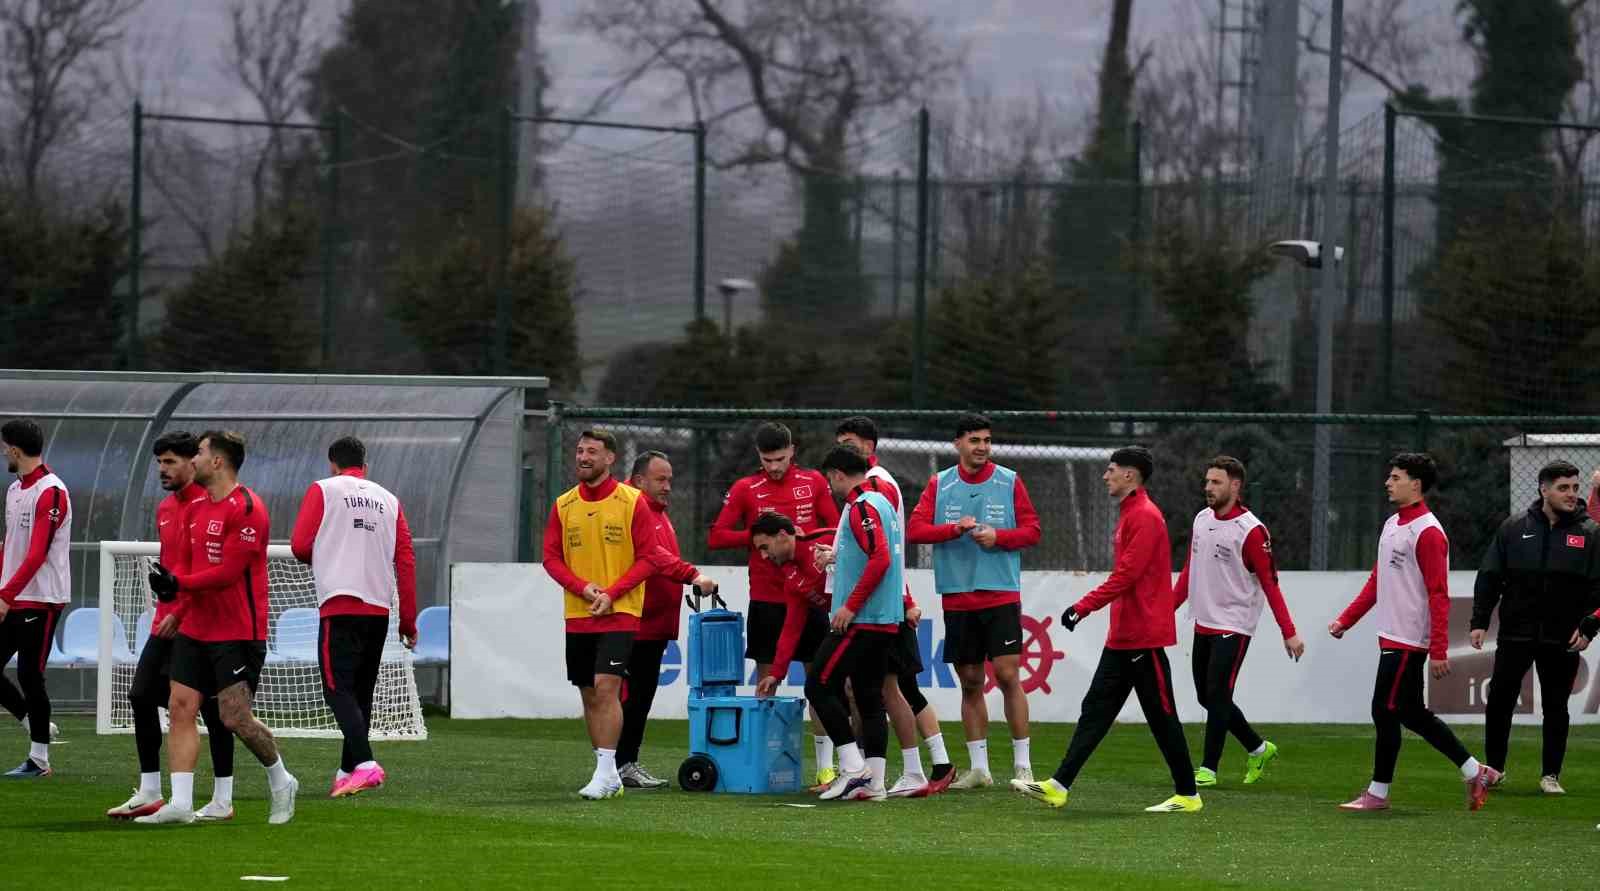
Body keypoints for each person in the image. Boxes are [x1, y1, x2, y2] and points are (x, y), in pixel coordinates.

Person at [1016, 446, 1201, 813]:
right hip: (1124, 636)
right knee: (1095, 710)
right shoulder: (1131, 513)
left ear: (1130, 475)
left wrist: (1082, 607)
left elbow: (1128, 576)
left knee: (1162, 717)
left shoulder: (1145, 516)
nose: (1105, 475)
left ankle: (1189, 794)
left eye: (1111, 470)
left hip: (1142, 637)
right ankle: (1059, 785)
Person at [138, 431, 299, 825]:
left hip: (238, 632)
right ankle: (178, 803)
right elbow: (193, 571)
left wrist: (179, 585)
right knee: (180, 706)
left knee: (233, 718)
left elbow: (227, 573)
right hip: (195, 629)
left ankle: (281, 778)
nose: (192, 460)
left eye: (200, 453)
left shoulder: (247, 508)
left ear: (218, 462)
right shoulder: (195, 510)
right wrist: (180, 606)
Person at [1329, 452, 1498, 812]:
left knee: (1384, 709)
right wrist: (1346, 620)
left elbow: (1439, 594)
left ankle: (1378, 794)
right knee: (1411, 713)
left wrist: (1438, 650)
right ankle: (1475, 771)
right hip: (1393, 638)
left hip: (1408, 642)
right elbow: (1378, 580)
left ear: (1415, 484)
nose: (1387, 483)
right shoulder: (1392, 525)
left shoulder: (1429, 532)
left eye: (1395, 477)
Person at [541, 429, 677, 800]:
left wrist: (613, 594)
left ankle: (606, 772)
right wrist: (584, 589)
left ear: (610, 459)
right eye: (580, 450)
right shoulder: (563, 505)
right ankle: (607, 772)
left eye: (592, 452)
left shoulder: (633, 501)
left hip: (621, 613)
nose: (583, 457)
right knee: (588, 694)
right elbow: (551, 558)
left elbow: (649, 558)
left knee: (607, 688)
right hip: (579, 613)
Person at [107, 432, 236, 819]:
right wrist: (166, 608)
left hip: (200, 624)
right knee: (141, 694)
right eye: (159, 462)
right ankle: (149, 790)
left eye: (171, 462)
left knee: (217, 713)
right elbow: (173, 568)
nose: (162, 469)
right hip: (167, 622)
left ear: (192, 463)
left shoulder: (209, 505)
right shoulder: (165, 508)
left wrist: (179, 613)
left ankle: (223, 799)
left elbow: (210, 573)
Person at [906, 412, 1040, 788]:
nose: (982, 447)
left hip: (999, 592)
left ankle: (1023, 766)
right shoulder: (940, 483)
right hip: (958, 596)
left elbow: (1032, 530)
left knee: (1009, 675)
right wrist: (952, 529)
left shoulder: (1010, 480)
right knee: (969, 681)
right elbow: (915, 530)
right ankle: (980, 768)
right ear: (958, 444)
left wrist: (1000, 537)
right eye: (974, 441)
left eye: (986, 441)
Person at [708, 421, 841, 785]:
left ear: (792, 451)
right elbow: (717, 536)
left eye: (780, 458)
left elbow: (838, 528)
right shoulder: (745, 488)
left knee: (819, 680)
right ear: (758, 457)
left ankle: (826, 767)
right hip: (766, 596)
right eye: (767, 460)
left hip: (809, 595)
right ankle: (762, 764)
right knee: (768, 679)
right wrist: (757, 539)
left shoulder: (813, 481)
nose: (774, 467)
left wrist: (810, 544)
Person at [290, 435, 420, 798]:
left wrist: (327, 554)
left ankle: (364, 763)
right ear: (365, 465)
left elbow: (300, 544)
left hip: (340, 602)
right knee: (360, 693)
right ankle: (346, 773)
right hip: (379, 609)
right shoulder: (390, 500)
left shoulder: (324, 489)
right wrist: (408, 621)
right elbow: (405, 561)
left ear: (332, 463)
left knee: (336, 688)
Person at [831, 417, 955, 796]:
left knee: (887, 689)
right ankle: (904, 769)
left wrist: (904, 598)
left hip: (879, 605)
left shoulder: (874, 488)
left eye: (850, 444)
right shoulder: (871, 488)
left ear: (869, 447)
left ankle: (906, 769)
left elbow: (884, 552)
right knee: (886, 689)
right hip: (884, 600)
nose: (846, 451)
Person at [1173, 455, 1304, 789]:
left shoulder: (1251, 531)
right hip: (1204, 620)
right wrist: (1165, 610)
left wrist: (1288, 632)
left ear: (1235, 485)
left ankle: (1208, 769)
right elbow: (1190, 570)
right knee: (1207, 696)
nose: (1208, 488)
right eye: (1207, 482)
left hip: (1235, 623)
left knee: (1217, 693)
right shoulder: (1201, 520)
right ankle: (1258, 748)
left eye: (1216, 482)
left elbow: (1270, 583)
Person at [1470, 459, 1600, 795]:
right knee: (1499, 700)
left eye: (1574, 487)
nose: (1572, 494)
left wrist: (1588, 628)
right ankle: (1494, 768)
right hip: (1515, 633)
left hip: (1563, 639)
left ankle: (1550, 775)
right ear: (1544, 489)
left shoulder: (1590, 533)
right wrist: (1479, 621)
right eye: (1563, 488)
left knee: (1556, 707)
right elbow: (1490, 576)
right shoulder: (1513, 528)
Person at [805, 445, 905, 802]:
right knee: (868, 696)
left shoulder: (861, 506)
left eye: (829, 479)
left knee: (817, 685)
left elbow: (880, 559)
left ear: (836, 474)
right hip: (885, 619)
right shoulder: (882, 504)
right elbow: (874, 553)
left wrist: (849, 606)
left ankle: (852, 767)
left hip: (863, 619)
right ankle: (875, 783)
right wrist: (838, 556)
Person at [617, 451, 718, 790]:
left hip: (655, 627)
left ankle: (624, 762)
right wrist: (692, 574)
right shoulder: (633, 510)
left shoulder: (659, 514)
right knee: (628, 698)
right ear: (639, 480)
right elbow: (656, 558)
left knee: (640, 697)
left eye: (670, 480)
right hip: (635, 624)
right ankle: (618, 763)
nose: (668, 486)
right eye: (661, 479)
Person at [0, 419, 70, 778]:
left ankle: (39, 760)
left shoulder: (52, 491)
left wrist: (6, 595)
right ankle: (33, 721)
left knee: (30, 674)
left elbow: (38, 552)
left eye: (4, 447)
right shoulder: (15, 490)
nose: (3, 453)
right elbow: (10, 547)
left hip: (41, 598)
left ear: (14, 449)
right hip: (12, 595)